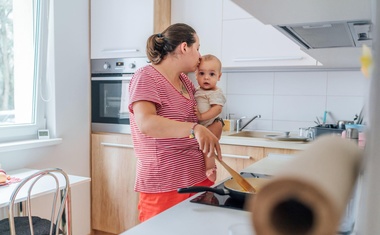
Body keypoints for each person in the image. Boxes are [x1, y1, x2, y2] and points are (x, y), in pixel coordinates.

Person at [128, 23, 223, 222]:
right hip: (165, 182)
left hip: (198, 177)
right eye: (197, 48)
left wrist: (216, 126)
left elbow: (197, 122)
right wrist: (194, 128)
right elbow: (146, 123)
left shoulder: (186, 82)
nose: (199, 56)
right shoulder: (146, 77)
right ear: (184, 47)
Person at [194, 54, 226, 182]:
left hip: (209, 124)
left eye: (212, 74)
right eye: (201, 73)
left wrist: (201, 116)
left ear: (219, 76)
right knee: (205, 148)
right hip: (199, 127)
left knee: (207, 150)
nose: (206, 77)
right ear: (196, 75)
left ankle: (211, 169)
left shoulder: (216, 93)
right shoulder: (197, 90)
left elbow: (217, 109)